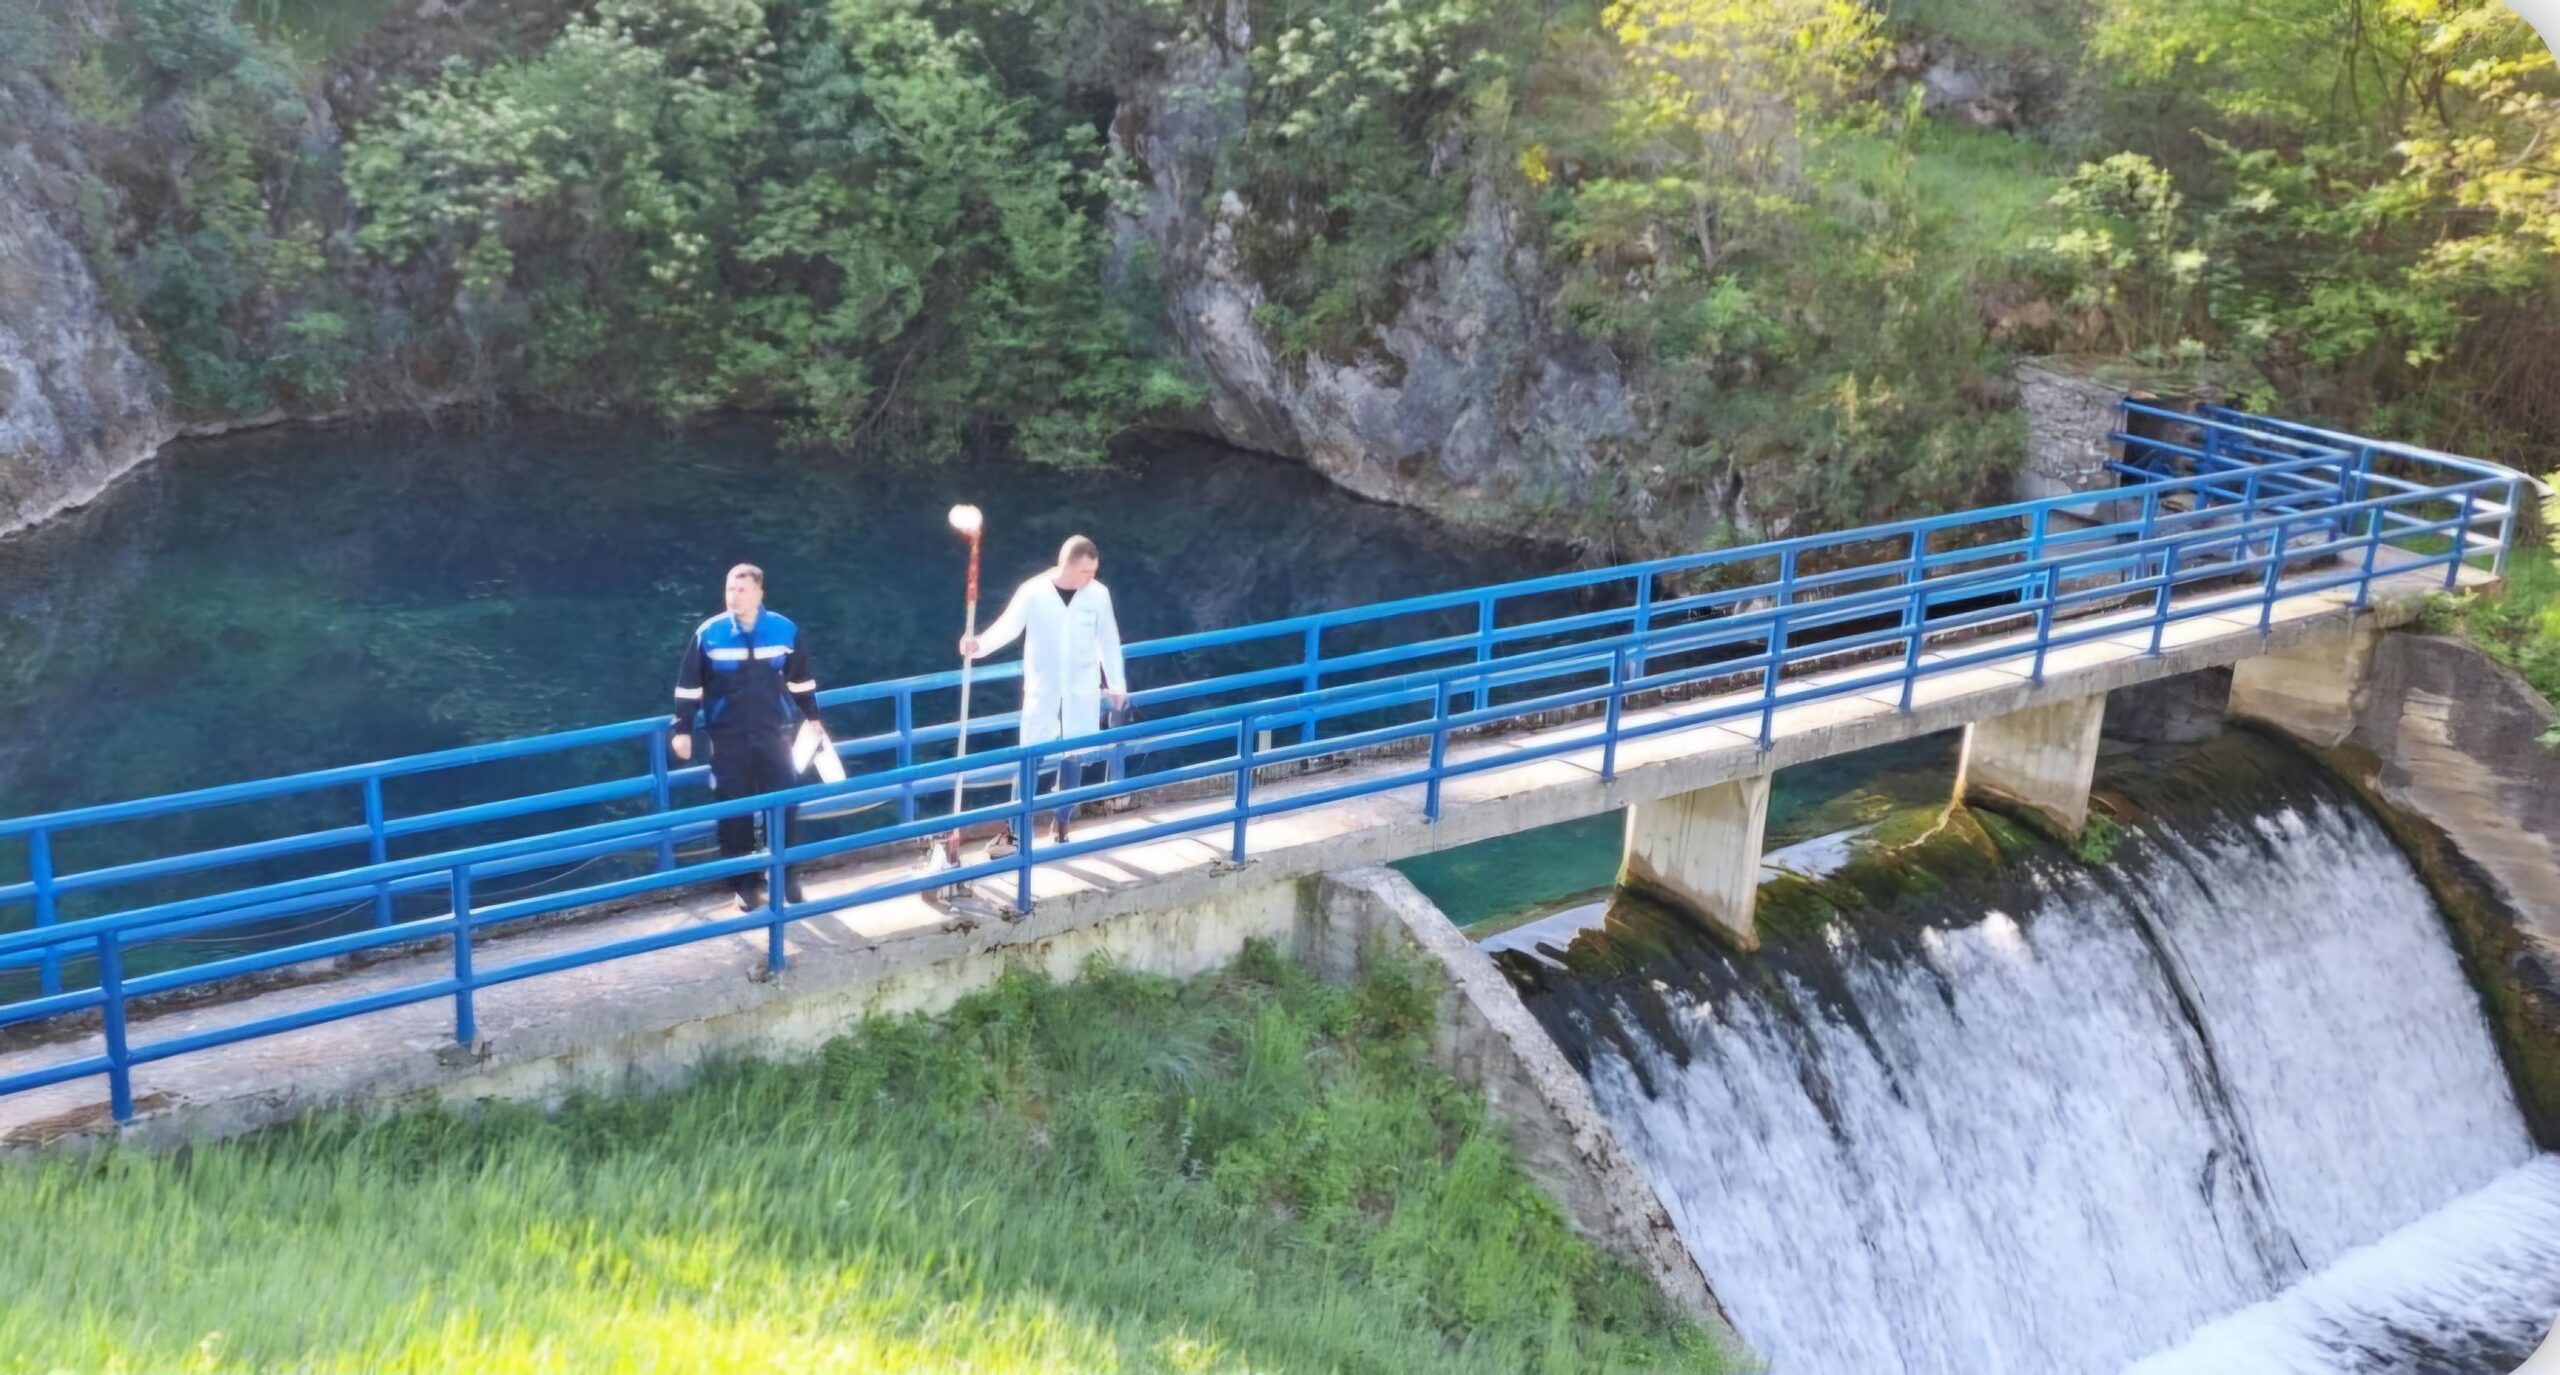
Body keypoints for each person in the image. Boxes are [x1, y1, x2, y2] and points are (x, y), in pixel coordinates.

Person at [959, 535, 1128, 853]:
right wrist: (977, 646)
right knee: (1029, 759)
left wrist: (1116, 683)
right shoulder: (1034, 592)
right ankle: (1013, 833)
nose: (1090, 578)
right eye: (1084, 572)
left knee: (1074, 756)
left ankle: (1062, 821)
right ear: (1067, 565)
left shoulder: (1098, 595)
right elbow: (1008, 626)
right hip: (1043, 688)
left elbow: (1108, 640)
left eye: (1093, 571)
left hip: (1081, 689)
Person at [670, 563, 821, 912]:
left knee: (784, 804)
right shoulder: (710, 633)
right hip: (728, 737)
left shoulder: (784, 630)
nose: (732, 596)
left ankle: (785, 874)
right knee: (733, 809)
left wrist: (813, 718)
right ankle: (744, 883)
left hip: (774, 735)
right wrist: (682, 730)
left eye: (740, 589)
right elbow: (689, 687)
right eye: (729, 589)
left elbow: (801, 681)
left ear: (759, 593)